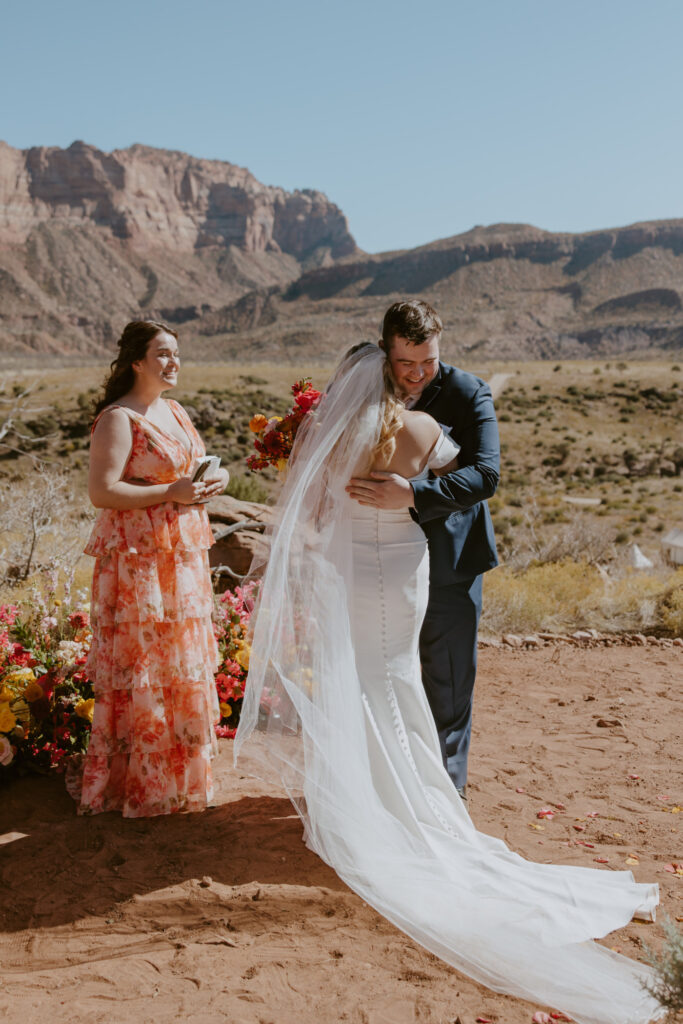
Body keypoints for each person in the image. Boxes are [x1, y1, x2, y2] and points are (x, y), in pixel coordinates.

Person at [235, 342, 662, 1024]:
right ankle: (414, 804)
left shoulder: (324, 434)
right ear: (389, 377)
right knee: (396, 681)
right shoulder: (421, 429)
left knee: (360, 682)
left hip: (347, 568)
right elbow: (463, 472)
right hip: (402, 567)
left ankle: (371, 802)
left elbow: (310, 513)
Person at [346, 300, 499, 802]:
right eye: (405, 363)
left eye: (427, 362)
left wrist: (414, 495)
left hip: (450, 558)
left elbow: (486, 474)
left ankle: (444, 795)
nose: (416, 374)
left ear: (440, 347)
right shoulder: (360, 391)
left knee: (447, 679)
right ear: (385, 352)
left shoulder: (468, 391)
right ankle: (385, 786)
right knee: (381, 672)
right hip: (372, 560)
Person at [76, 320, 229, 817]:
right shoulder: (118, 418)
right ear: (136, 362)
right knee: (145, 668)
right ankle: (137, 787)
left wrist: (214, 478)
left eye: (177, 354)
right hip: (139, 562)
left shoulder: (177, 411)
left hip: (179, 557)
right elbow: (102, 492)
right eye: (162, 354)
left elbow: (195, 466)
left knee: (178, 665)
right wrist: (169, 492)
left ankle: (179, 783)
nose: (173, 362)